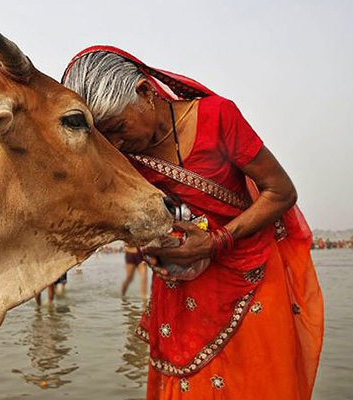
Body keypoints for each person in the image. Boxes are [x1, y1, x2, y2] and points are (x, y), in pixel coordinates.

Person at [63, 47, 323, 399]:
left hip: (252, 273)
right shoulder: (124, 156)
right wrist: (152, 249)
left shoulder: (218, 118)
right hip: (184, 286)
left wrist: (217, 242)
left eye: (118, 128)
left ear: (145, 92)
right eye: (106, 137)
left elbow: (280, 192)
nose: (116, 143)